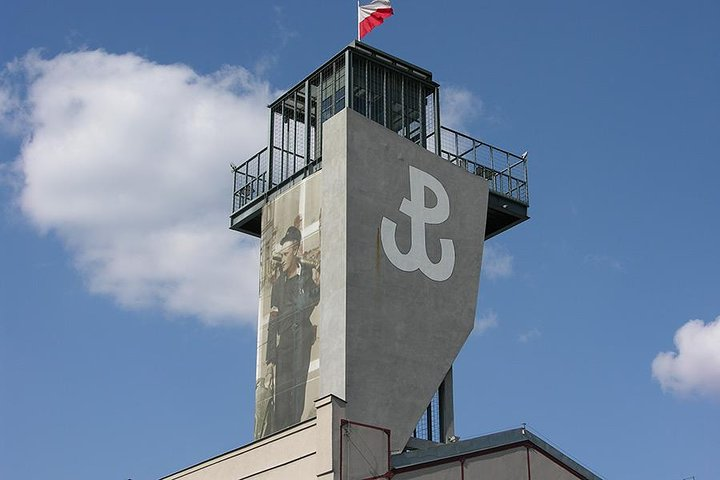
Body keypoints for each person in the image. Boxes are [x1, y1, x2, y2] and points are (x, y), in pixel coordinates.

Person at [264, 226, 320, 434]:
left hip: (301, 340)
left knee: (297, 393)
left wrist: (315, 288)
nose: (283, 259)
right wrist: (270, 359)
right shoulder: (279, 285)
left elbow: (311, 302)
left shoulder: (307, 274)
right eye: (282, 255)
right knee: (281, 399)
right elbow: (272, 322)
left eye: (286, 254)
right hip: (285, 343)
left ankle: (296, 433)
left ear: (295, 250)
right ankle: (281, 438)